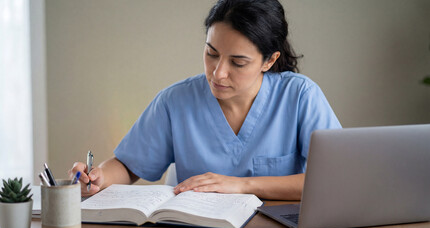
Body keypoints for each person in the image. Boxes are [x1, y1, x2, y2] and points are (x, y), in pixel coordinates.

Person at [69, 0, 341, 200]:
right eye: (212, 53)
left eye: (238, 62)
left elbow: (335, 179)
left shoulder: (300, 96)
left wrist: (242, 185)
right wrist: (100, 177)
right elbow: (129, 165)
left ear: (269, 61)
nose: (218, 73)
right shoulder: (176, 101)